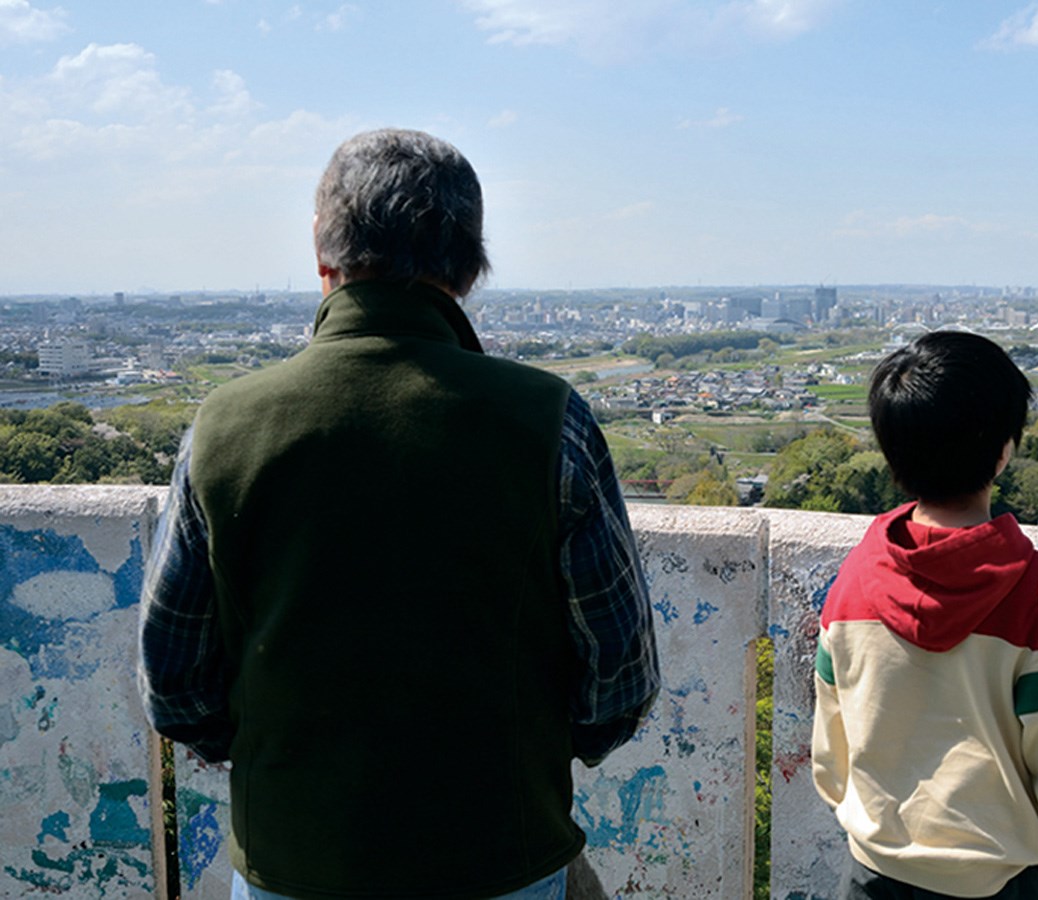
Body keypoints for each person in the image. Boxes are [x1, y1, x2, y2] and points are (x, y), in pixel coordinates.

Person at [138, 128, 659, 900]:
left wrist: (277, 757)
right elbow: (618, 677)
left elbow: (173, 679)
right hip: (500, 852)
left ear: (324, 253)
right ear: (469, 264)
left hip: (292, 859)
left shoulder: (226, 426)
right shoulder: (548, 420)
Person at [810, 331, 1038, 900]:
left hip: (875, 872)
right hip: (999, 879)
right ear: (1004, 449)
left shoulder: (855, 581)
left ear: (893, 452)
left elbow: (832, 751)